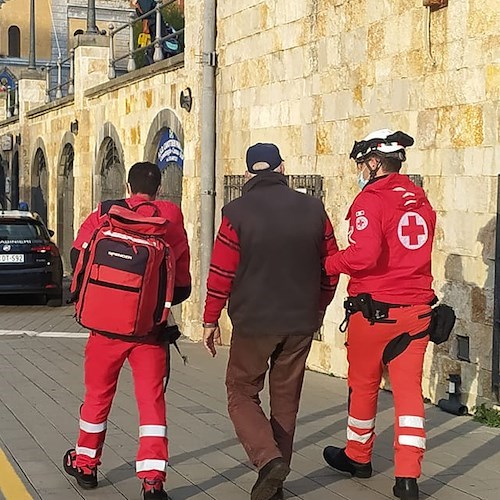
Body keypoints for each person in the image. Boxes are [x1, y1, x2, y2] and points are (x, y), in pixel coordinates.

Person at [202, 143, 339, 500]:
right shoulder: (314, 209)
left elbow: (221, 272)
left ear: (248, 174)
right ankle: (275, 482)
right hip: (300, 321)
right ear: (282, 169)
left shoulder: (236, 213)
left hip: (253, 322)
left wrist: (210, 319)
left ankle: (267, 461)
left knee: (241, 392)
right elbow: (331, 266)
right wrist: (319, 306)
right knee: (286, 400)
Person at [63, 162, 191, 500]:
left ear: (128, 186)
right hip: (148, 334)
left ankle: (86, 464)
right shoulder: (170, 222)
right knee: (151, 403)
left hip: (104, 330)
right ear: (159, 189)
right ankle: (152, 480)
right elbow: (182, 287)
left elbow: (77, 255)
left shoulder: (106, 214)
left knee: (96, 398)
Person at [322, 129, 436, 500]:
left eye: (361, 164)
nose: (359, 170)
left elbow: (364, 256)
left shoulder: (371, 200)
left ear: (373, 162)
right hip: (417, 313)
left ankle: (358, 455)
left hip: (375, 314)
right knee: (409, 395)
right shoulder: (419, 199)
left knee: (363, 384)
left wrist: (328, 263)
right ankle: (407, 477)